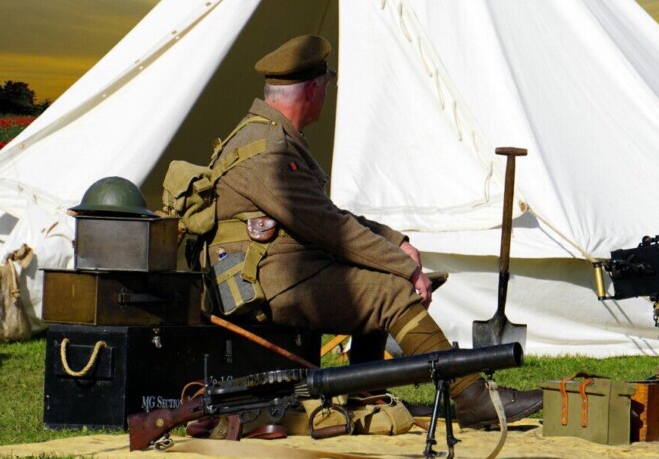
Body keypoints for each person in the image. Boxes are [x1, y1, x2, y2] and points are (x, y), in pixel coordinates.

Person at [207, 34, 542, 429]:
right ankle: (471, 398)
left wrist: (394, 240)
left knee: (381, 280)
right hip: (261, 281)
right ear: (314, 90)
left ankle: (365, 395)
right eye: (327, 84)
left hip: (273, 271)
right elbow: (331, 229)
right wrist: (405, 268)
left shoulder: (270, 138)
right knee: (390, 291)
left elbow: (324, 215)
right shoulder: (268, 150)